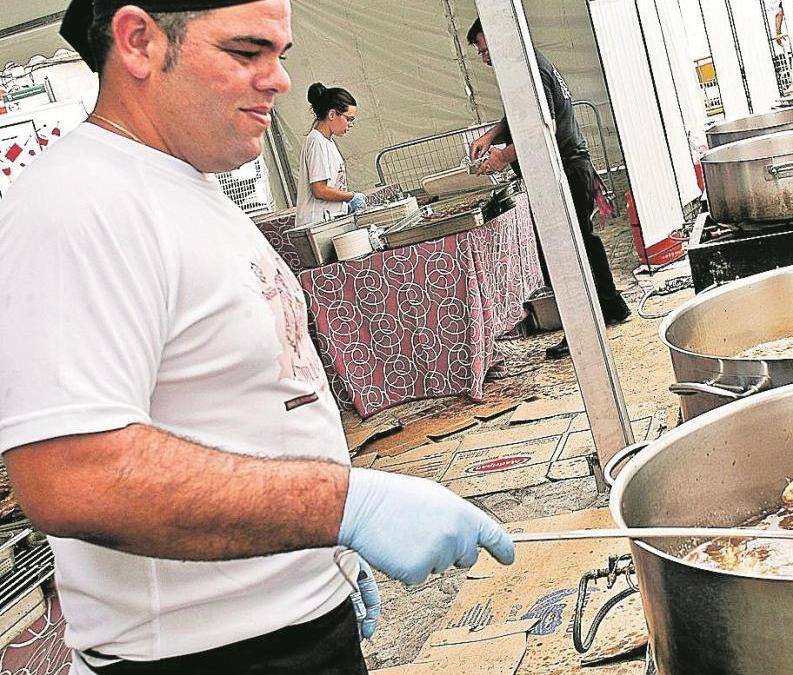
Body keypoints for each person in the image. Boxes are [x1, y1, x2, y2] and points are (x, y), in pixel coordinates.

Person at [0, 2, 513, 673]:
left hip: (291, 622)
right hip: (209, 654)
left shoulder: (190, 183)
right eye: (248, 52)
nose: (280, 80)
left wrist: (319, 561)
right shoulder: (76, 203)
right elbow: (72, 474)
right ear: (137, 41)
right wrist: (343, 504)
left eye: (281, 52)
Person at [465, 18, 630, 360]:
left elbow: (542, 127)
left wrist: (502, 157)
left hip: (564, 169)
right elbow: (520, 116)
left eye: (486, 50)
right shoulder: (527, 65)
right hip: (571, 167)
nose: (485, 59)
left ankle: (582, 328)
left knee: (560, 254)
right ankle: (612, 306)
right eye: (481, 53)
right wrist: (491, 136)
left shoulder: (530, 71)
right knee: (583, 241)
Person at [296, 82, 366, 226]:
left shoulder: (328, 142)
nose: (350, 125)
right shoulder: (316, 141)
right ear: (332, 114)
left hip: (328, 219)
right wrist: (350, 197)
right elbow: (319, 190)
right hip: (317, 222)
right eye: (349, 119)